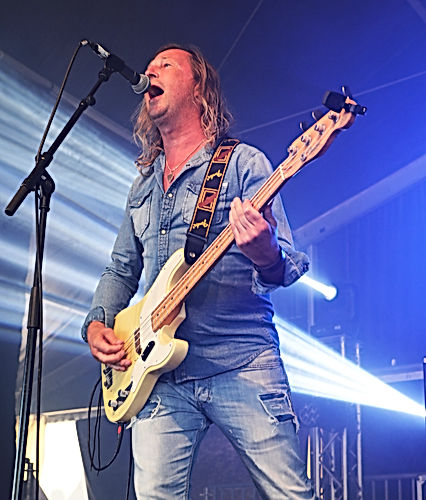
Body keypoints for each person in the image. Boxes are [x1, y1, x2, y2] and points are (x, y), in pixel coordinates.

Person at [82, 44, 315, 499]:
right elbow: (121, 269)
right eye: (149, 66)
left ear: (198, 88)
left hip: (240, 360)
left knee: (290, 494)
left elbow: (286, 263)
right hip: (158, 373)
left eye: (165, 65)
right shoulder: (143, 186)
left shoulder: (244, 164)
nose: (150, 71)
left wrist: (264, 251)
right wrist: (96, 323)